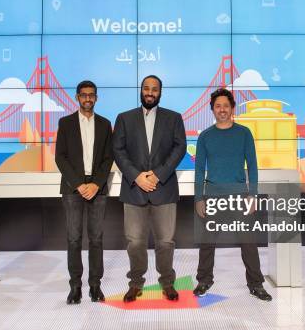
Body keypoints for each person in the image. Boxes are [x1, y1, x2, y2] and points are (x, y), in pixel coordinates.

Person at [112, 75, 187, 302]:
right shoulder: (124, 118)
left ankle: (167, 283)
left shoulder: (174, 118)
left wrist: (157, 175)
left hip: (164, 189)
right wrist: (137, 176)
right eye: (146, 88)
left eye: (155, 89)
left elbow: (180, 148)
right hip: (134, 190)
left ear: (160, 93)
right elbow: (118, 151)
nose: (150, 92)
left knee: (166, 241)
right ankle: (136, 284)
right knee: (135, 242)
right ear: (141, 90)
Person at [193, 88, 272, 301]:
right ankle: (204, 280)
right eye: (217, 106)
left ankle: (256, 284)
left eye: (226, 106)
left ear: (232, 108)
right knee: (207, 242)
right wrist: (198, 198)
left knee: (248, 242)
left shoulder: (244, 133)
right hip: (212, 197)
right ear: (212, 109)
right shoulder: (205, 137)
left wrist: (253, 195)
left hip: (240, 196)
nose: (222, 110)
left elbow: (252, 166)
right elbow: (200, 169)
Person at [55, 80, 114, 304]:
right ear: (77, 97)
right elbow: (60, 156)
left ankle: (95, 286)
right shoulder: (66, 123)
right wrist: (79, 185)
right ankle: (75, 287)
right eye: (83, 95)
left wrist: (96, 184)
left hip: (97, 188)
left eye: (91, 95)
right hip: (73, 188)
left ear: (96, 98)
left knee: (96, 239)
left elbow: (109, 157)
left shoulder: (105, 124)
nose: (87, 98)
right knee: (73, 239)